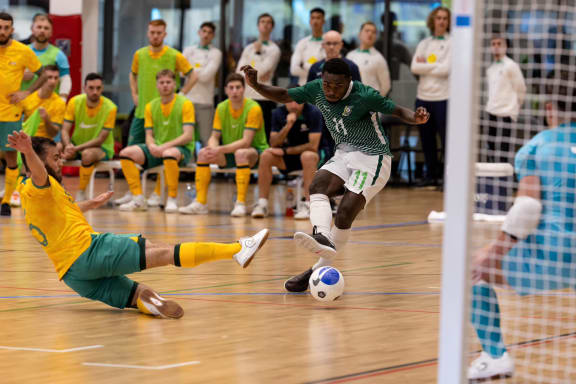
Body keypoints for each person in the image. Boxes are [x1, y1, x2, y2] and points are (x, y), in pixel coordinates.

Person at [7, 130, 269, 319]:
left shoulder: (28, 192)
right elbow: (40, 172)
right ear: (38, 162)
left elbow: (61, 210)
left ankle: (150, 304)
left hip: (74, 277)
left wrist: (91, 203)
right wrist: (29, 151)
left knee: (137, 293)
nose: (60, 161)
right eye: (54, 157)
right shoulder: (38, 183)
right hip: (89, 250)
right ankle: (237, 249)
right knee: (165, 251)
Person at [241, 58, 429, 291]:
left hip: (373, 158)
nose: (330, 90)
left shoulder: (364, 95)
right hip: (343, 154)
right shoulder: (317, 89)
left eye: (336, 86)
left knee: (344, 213)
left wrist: (416, 118)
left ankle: (317, 268)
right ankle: (321, 235)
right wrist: (256, 85)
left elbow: (398, 110)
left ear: (349, 81)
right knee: (318, 185)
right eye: (327, 84)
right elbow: (283, 95)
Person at [468, 70, 576, 381]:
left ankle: (495, 356)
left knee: (472, 271)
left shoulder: (537, 145)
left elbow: (528, 207)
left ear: (550, 108)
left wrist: (495, 250)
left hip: (552, 255)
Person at [118, 19, 197, 208]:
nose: (155, 36)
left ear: (165, 34)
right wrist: (134, 93)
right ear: (147, 33)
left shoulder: (174, 55)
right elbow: (132, 74)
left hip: (168, 110)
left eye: (159, 32)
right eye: (152, 32)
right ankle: (133, 193)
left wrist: (182, 94)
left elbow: (193, 75)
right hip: (143, 111)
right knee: (132, 152)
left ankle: (159, 193)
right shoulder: (139, 54)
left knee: (167, 151)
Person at [179, 73, 268, 217]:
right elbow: (214, 136)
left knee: (241, 153)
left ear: (243, 89)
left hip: (255, 153)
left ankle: (240, 203)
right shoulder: (221, 107)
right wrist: (213, 148)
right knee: (203, 154)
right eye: (231, 88)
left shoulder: (253, 108)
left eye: (238, 87)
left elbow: (246, 142)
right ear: (226, 90)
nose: (234, 91)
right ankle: (200, 203)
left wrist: (220, 149)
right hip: (230, 152)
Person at [117, 69, 195, 213]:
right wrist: (151, 146)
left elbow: (188, 136)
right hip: (158, 149)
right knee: (126, 153)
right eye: (162, 82)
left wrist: (163, 147)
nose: (165, 85)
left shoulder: (185, 104)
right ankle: (138, 198)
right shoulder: (150, 106)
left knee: (169, 153)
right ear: (157, 85)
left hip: (181, 149)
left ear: (175, 84)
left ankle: (172, 199)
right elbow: (149, 134)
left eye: (168, 82)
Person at [0, 12, 47, 217]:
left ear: (12, 29)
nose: (2, 31)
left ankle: (6, 201)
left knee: (11, 156)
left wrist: (27, 91)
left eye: (6, 28)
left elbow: (43, 73)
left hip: (10, 112)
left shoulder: (22, 51)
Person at [251, 90, 323, 220]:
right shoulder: (278, 113)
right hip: (287, 157)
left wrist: (285, 151)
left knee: (308, 156)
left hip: (312, 157)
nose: (293, 105)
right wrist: (288, 125)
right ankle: (262, 204)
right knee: (266, 155)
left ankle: (308, 204)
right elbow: (273, 142)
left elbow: (313, 146)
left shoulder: (314, 112)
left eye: (297, 101)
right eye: (290, 101)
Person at [410, 6, 451, 188]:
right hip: (423, 97)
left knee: (446, 139)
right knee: (427, 139)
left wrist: (425, 64)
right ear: (433, 21)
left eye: (445, 18)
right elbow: (414, 68)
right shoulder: (424, 43)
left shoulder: (453, 42)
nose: (441, 21)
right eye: (438, 18)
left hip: (444, 98)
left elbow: (447, 69)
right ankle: (430, 176)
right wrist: (434, 66)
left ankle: (447, 177)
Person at [307, 30, 361, 167]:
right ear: (323, 45)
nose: (331, 47)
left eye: (335, 43)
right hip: (320, 119)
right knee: (322, 156)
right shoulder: (314, 68)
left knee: (343, 157)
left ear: (341, 45)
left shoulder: (351, 67)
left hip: (343, 120)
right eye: (328, 43)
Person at [61, 73, 117, 202]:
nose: (95, 91)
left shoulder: (111, 108)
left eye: (98, 88)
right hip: (76, 145)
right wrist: (68, 144)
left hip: (101, 148)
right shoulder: (74, 102)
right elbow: (65, 129)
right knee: (56, 149)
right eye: (91, 88)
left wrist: (75, 148)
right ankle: (56, 190)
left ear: (102, 88)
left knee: (87, 154)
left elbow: (101, 139)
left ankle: (81, 191)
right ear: (84, 88)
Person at [236, 13, 281, 140]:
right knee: (245, 134)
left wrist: (257, 53)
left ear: (272, 27)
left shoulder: (274, 49)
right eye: (262, 21)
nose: (265, 24)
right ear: (258, 25)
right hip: (247, 96)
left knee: (263, 135)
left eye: (268, 22)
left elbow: (260, 72)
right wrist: (256, 71)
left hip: (264, 96)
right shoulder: (249, 47)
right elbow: (238, 72)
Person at [484, 36, 527, 163]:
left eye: (499, 43)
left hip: (506, 113)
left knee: (504, 149)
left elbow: (521, 88)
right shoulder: (490, 68)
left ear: (505, 47)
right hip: (491, 111)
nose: (496, 46)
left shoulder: (511, 66)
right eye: (493, 43)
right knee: (490, 147)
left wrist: (516, 107)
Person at [183, 21, 222, 146]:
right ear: (199, 33)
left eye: (209, 33)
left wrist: (191, 70)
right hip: (187, 100)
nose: (206, 35)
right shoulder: (188, 50)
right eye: (204, 31)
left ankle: (208, 164)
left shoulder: (216, 53)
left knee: (206, 138)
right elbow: (180, 73)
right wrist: (200, 70)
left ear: (213, 36)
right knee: (186, 138)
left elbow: (206, 76)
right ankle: (188, 164)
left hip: (205, 101)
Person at [21, 13, 71, 101]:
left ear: (51, 33)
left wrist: (63, 98)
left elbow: (65, 79)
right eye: (39, 27)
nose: (42, 31)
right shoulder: (22, 51)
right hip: (25, 104)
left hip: (49, 105)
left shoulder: (58, 54)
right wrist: (21, 75)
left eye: (46, 28)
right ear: (32, 29)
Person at [20, 65, 66, 140]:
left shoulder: (60, 103)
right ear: (42, 79)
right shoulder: (28, 98)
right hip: (27, 139)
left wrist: (46, 119)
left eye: (56, 78)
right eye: (49, 77)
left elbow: (54, 134)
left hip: (45, 141)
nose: (53, 81)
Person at [347, 22, 391, 96]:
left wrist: (374, 102)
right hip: (352, 102)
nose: (370, 34)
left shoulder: (379, 58)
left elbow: (386, 86)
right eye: (367, 31)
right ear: (359, 34)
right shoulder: (350, 55)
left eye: (373, 32)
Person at [290, 8, 325, 86]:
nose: (315, 21)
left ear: (323, 21)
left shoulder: (328, 42)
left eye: (318, 18)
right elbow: (293, 69)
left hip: (321, 88)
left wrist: (304, 65)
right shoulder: (302, 43)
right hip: (303, 87)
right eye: (313, 18)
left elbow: (326, 68)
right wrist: (315, 72)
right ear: (310, 21)